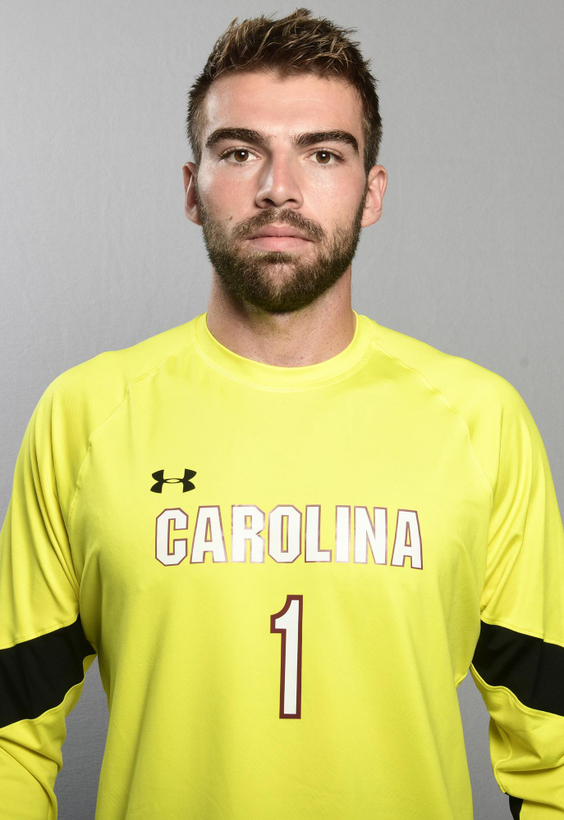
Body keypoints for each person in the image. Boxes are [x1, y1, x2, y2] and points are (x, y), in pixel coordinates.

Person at [0, 7, 562, 819]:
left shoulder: (481, 423)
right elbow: (12, 733)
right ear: (193, 189)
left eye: (323, 154)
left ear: (370, 193)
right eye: (239, 152)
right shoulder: (83, 417)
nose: (279, 189)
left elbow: (554, 750)